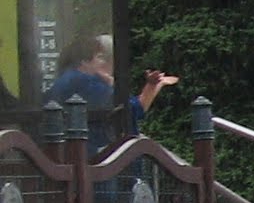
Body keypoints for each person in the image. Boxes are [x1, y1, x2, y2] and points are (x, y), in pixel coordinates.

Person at [42, 36, 177, 157]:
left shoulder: (67, 79)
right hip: (96, 158)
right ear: (84, 60)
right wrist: (153, 86)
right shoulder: (84, 81)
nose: (102, 63)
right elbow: (132, 109)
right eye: (99, 57)